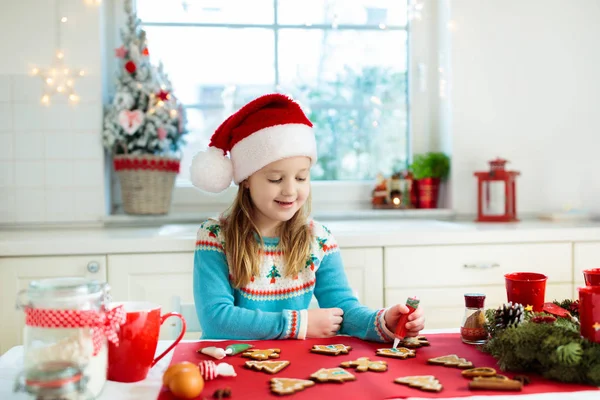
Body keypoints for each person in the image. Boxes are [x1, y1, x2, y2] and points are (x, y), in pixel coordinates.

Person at [189, 93, 425, 340]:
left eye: (301, 177)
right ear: (246, 179)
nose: (290, 190)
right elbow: (217, 321)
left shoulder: (318, 239)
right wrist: (297, 324)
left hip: (295, 372)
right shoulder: (216, 236)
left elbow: (344, 309)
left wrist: (384, 321)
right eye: (276, 179)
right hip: (232, 368)